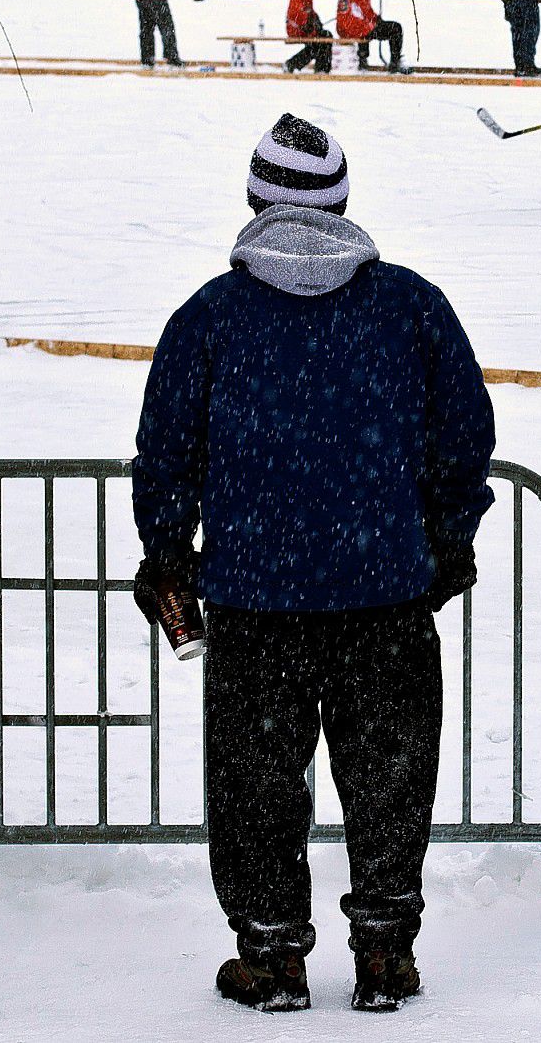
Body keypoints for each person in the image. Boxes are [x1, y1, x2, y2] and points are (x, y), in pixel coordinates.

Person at [133, 114, 493, 1014]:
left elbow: (166, 451)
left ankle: (270, 955)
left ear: (256, 198)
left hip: (257, 599)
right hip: (385, 592)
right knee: (390, 776)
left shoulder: (211, 317)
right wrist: (448, 537)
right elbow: (465, 434)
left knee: (257, 784)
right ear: (340, 202)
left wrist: (169, 552)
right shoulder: (410, 305)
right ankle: (383, 951)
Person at [335, 0, 404, 72]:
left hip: (343, 27)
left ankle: (363, 58)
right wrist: (377, 19)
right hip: (354, 27)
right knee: (395, 28)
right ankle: (395, 63)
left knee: (365, 26)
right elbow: (365, 10)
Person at [283, 0, 333, 75]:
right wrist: (310, 22)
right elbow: (297, 13)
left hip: (306, 28)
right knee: (319, 41)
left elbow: (309, 10)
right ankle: (295, 65)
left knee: (325, 37)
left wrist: (316, 19)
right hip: (296, 28)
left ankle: (321, 68)